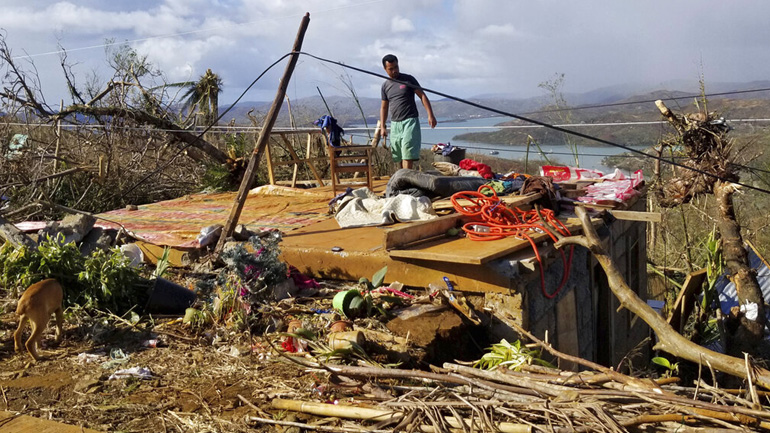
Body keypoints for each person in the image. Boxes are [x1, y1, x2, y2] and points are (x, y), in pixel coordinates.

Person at [379, 54, 437, 170]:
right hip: (395, 124)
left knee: (407, 153)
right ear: (385, 69)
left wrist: (430, 115)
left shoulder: (408, 79)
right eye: (391, 69)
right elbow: (384, 107)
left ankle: (406, 178)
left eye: (396, 67)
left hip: (410, 121)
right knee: (398, 155)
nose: (394, 71)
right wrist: (382, 126)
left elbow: (422, 96)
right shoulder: (385, 86)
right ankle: (402, 177)